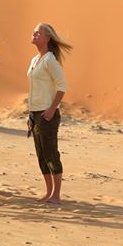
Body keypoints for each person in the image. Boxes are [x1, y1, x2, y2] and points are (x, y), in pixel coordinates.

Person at [27, 23, 72, 204]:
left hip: (47, 114)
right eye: (34, 32)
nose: (34, 34)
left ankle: (56, 195)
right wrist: (30, 115)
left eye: (38, 33)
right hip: (35, 113)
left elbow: (62, 86)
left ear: (47, 38)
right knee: (41, 154)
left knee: (51, 153)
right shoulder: (34, 60)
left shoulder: (50, 60)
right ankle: (48, 192)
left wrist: (52, 109)